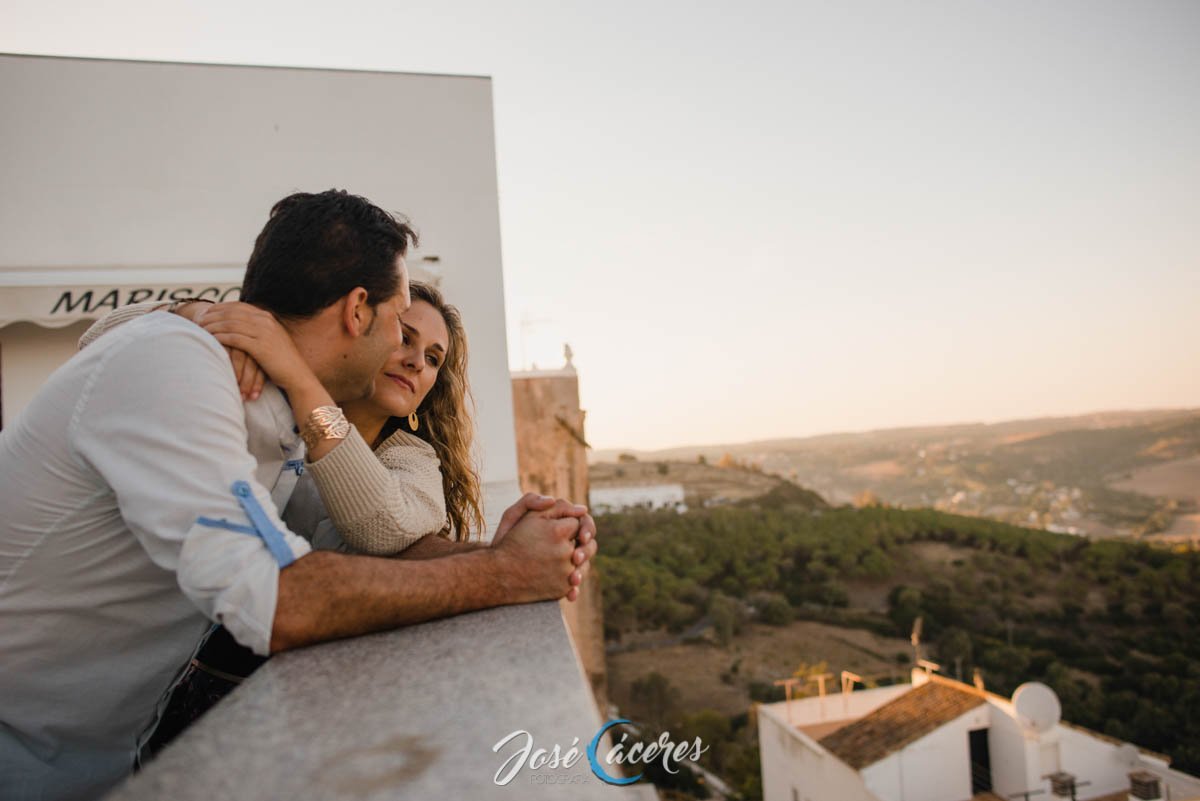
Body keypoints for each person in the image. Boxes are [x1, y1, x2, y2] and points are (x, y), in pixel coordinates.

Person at [0, 189, 597, 800]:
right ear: (358, 310)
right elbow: (278, 598)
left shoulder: (283, 418)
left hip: (101, 758)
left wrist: (506, 555)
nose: (407, 353)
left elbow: (380, 541)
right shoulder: (183, 367)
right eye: (400, 323)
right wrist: (504, 575)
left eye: (431, 356)